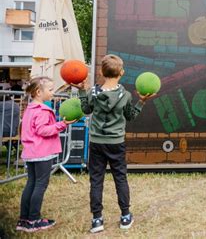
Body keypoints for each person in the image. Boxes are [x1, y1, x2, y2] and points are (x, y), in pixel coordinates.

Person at [72, 54, 154, 233]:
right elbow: (131, 116)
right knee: (120, 178)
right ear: (122, 73)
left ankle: (97, 220)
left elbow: (86, 111)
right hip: (116, 143)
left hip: (96, 142)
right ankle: (125, 217)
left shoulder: (93, 92)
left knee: (96, 180)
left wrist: (82, 90)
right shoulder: (124, 95)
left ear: (101, 72)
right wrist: (142, 101)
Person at [15, 77, 76, 233]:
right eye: (50, 89)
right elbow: (43, 131)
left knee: (31, 183)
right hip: (41, 153)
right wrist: (63, 124)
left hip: (31, 152)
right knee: (40, 185)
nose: (53, 92)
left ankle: (24, 220)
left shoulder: (30, 108)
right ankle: (34, 220)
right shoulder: (42, 110)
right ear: (38, 92)